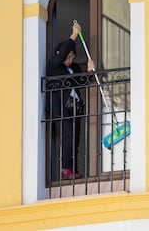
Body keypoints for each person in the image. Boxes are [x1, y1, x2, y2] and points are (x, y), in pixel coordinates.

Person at [46, 22, 95, 180]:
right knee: (67, 135)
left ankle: (72, 169)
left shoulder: (74, 68)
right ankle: (65, 168)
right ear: (60, 54)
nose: (70, 60)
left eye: (72, 57)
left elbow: (82, 81)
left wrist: (89, 72)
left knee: (75, 138)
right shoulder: (54, 65)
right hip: (59, 106)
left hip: (74, 106)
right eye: (67, 57)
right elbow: (61, 57)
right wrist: (74, 35)